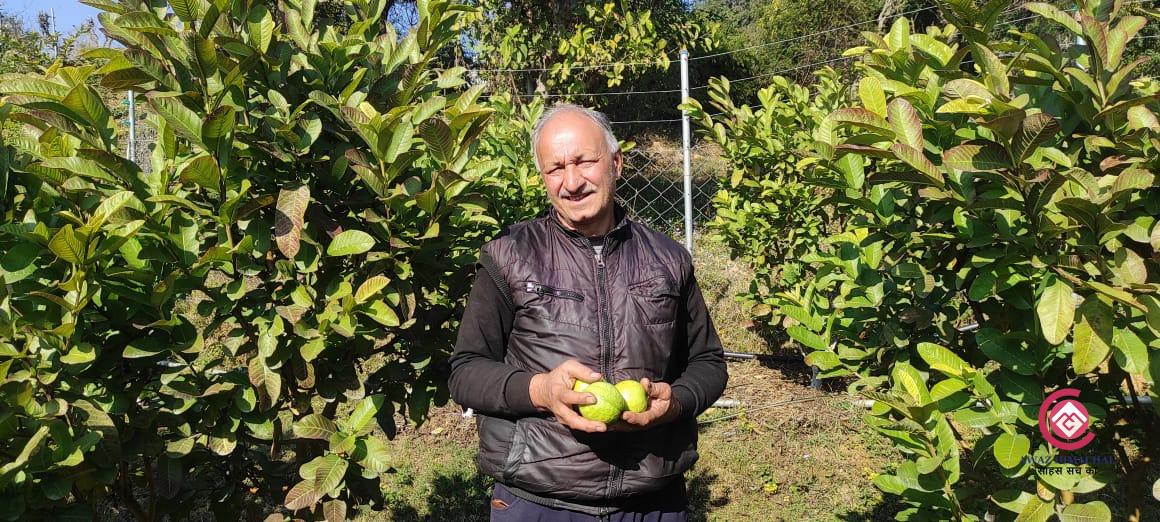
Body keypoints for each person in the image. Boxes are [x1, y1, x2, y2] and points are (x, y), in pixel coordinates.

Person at [448, 102, 728, 521]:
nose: (572, 182)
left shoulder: (668, 260)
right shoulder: (509, 257)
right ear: (543, 177)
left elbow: (708, 363)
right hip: (538, 501)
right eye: (556, 168)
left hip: (652, 501)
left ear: (616, 162)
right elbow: (466, 371)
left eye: (584, 161)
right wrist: (540, 391)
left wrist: (674, 404)